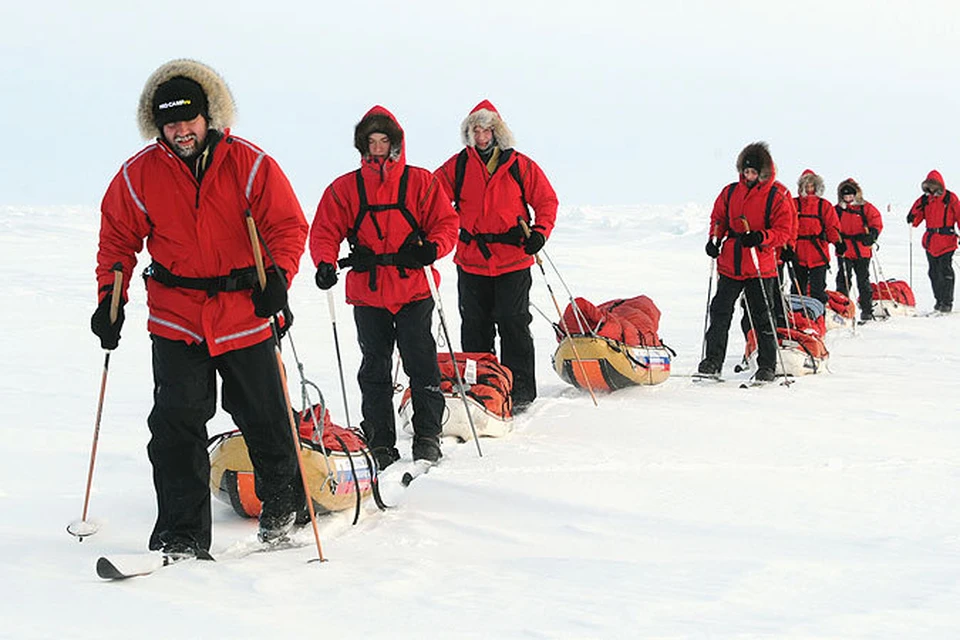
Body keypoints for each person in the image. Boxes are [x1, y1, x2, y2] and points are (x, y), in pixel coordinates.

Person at [91, 59, 309, 557]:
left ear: (208, 116)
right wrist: (110, 299)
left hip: (244, 312)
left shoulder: (250, 164)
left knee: (266, 418)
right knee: (175, 426)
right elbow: (118, 242)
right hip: (176, 316)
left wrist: (277, 278)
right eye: (170, 123)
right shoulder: (137, 175)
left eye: (188, 120)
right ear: (157, 126)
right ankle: (182, 537)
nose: (181, 131)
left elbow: (287, 227)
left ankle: (282, 513)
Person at [310, 106, 458, 471]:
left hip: (415, 290)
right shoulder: (345, 188)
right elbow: (325, 229)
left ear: (395, 143)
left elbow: (445, 223)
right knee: (373, 369)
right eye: (371, 142)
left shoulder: (421, 182)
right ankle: (379, 442)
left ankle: (427, 437)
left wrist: (432, 248)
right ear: (363, 145)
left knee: (421, 364)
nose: (377, 148)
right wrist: (325, 262)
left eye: (383, 141)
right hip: (369, 293)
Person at [434, 100, 558, 412]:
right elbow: (430, 199)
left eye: (487, 129)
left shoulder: (520, 165)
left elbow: (546, 201)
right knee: (475, 326)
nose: (482, 135)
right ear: (469, 133)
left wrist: (540, 232)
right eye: (475, 129)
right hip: (471, 259)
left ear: (497, 131)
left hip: (513, 259)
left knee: (513, 323)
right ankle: (482, 387)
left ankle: (520, 391)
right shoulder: (457, 166)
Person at [700, 142, 793, 382]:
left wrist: (762, 237)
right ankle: (712, 361)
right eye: (746, 171)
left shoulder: (777, 195)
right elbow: (718, 217)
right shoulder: (730, 192)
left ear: (763, 172)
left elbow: (784, 230)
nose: (748, 176)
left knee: (762, 316)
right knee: (720, 312)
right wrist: (715, 239)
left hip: (760, 265)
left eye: (753, 172)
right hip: (731, 263)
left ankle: (767, 366)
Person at [907, 170, 960, 313]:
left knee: (945, 270)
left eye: (933, 185)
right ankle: (938, 301)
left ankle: (947, 302)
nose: (931, 188)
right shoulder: (925, 200)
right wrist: (912, 216)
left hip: (947, 240)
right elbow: (916, 219)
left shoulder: (951, 198)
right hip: (930, 242)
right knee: (933, 272)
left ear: (939, 184)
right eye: (928, 186)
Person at [834, 178, 883, 321]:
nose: (848, 199)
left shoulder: (865, 208)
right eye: (845, 196)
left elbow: (876, 221)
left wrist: (872, 234)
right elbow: (830, 225)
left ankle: (867, 310)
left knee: (863, 280)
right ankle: (843, 309)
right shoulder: (837, 210)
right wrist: (835, 240)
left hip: (862, 249)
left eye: (850, 195)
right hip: (844, 249)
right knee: (843, 279)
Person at [791, 169, 842, 305]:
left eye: (812, 186)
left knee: (817, 291)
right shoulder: (793, 204)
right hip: (798, 253)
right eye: (806, 186)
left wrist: (838, 242)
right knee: (797, 291)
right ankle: (797, 317)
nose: (809, 189)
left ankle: (819, 317)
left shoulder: (824, 205)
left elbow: (832, 226)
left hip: (818, 253)